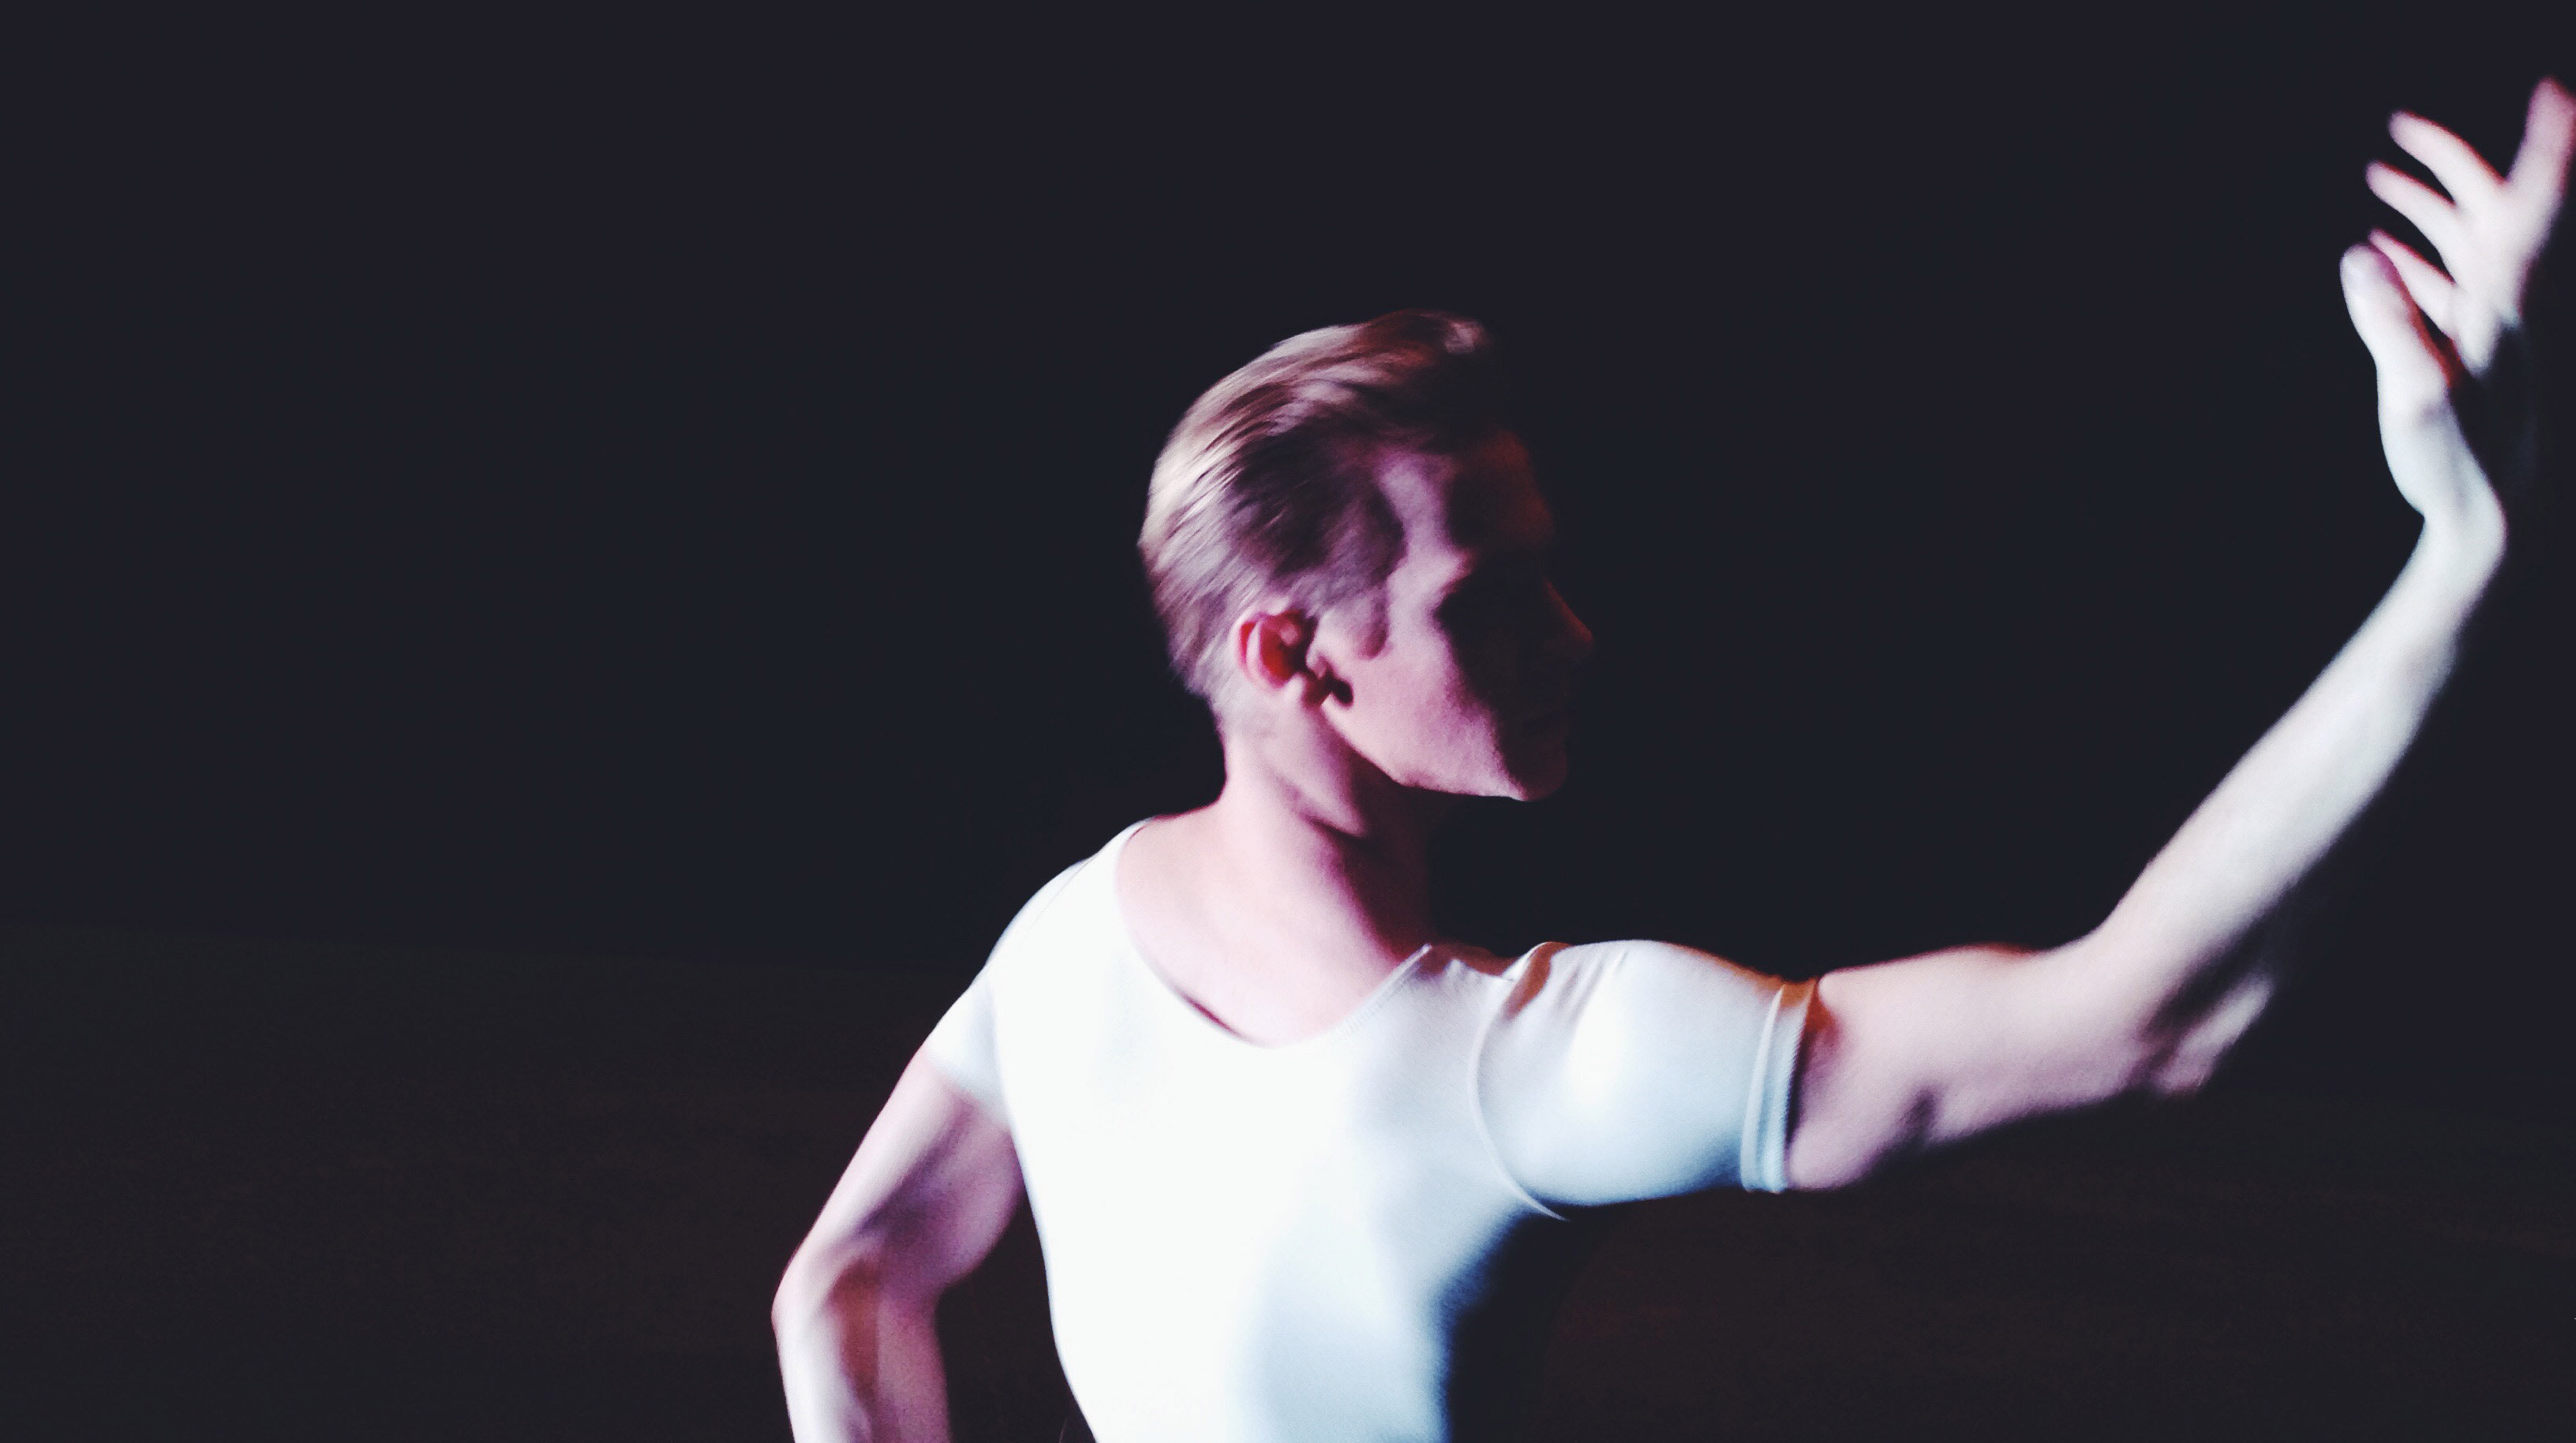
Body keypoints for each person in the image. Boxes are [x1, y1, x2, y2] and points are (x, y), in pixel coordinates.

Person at [773, 80, 2575, 1442]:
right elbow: (2147, 1016)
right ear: (1293, 656)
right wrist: (2464, 555)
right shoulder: (1527, 1075)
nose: (1575, 641)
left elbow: (846, 1285)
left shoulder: (1069, 939)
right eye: (1492, 600)